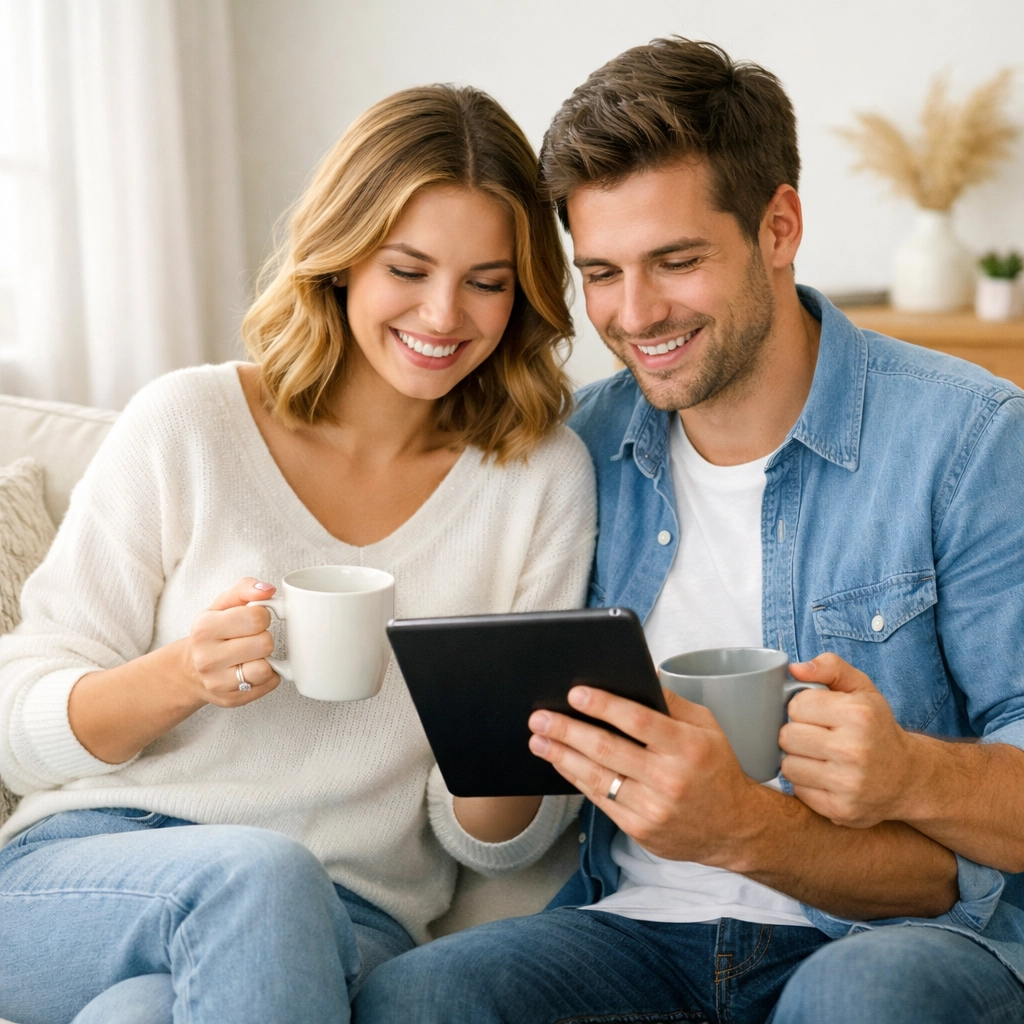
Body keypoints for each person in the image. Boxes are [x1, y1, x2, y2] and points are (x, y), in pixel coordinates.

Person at [353, 39, 1024, 1024]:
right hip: (631, 932)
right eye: (602, 273)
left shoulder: (965, 439)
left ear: (779, 226)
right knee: (421, 998)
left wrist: (902, 774)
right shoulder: (576, 449)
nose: (634, 313)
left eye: (675, 261)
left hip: (894, 940)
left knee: (864, 998)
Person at [0, 85, 595, 1024]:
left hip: (347, 917)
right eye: (408, 268)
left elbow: (494, 847)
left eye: (487, 280)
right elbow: (17, 728)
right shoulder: (190, 423)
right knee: (257, 875)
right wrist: (182, 675)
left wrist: (505, 746)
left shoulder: (537, 478)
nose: (445, 315)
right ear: (345, 257)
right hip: (86, 880)